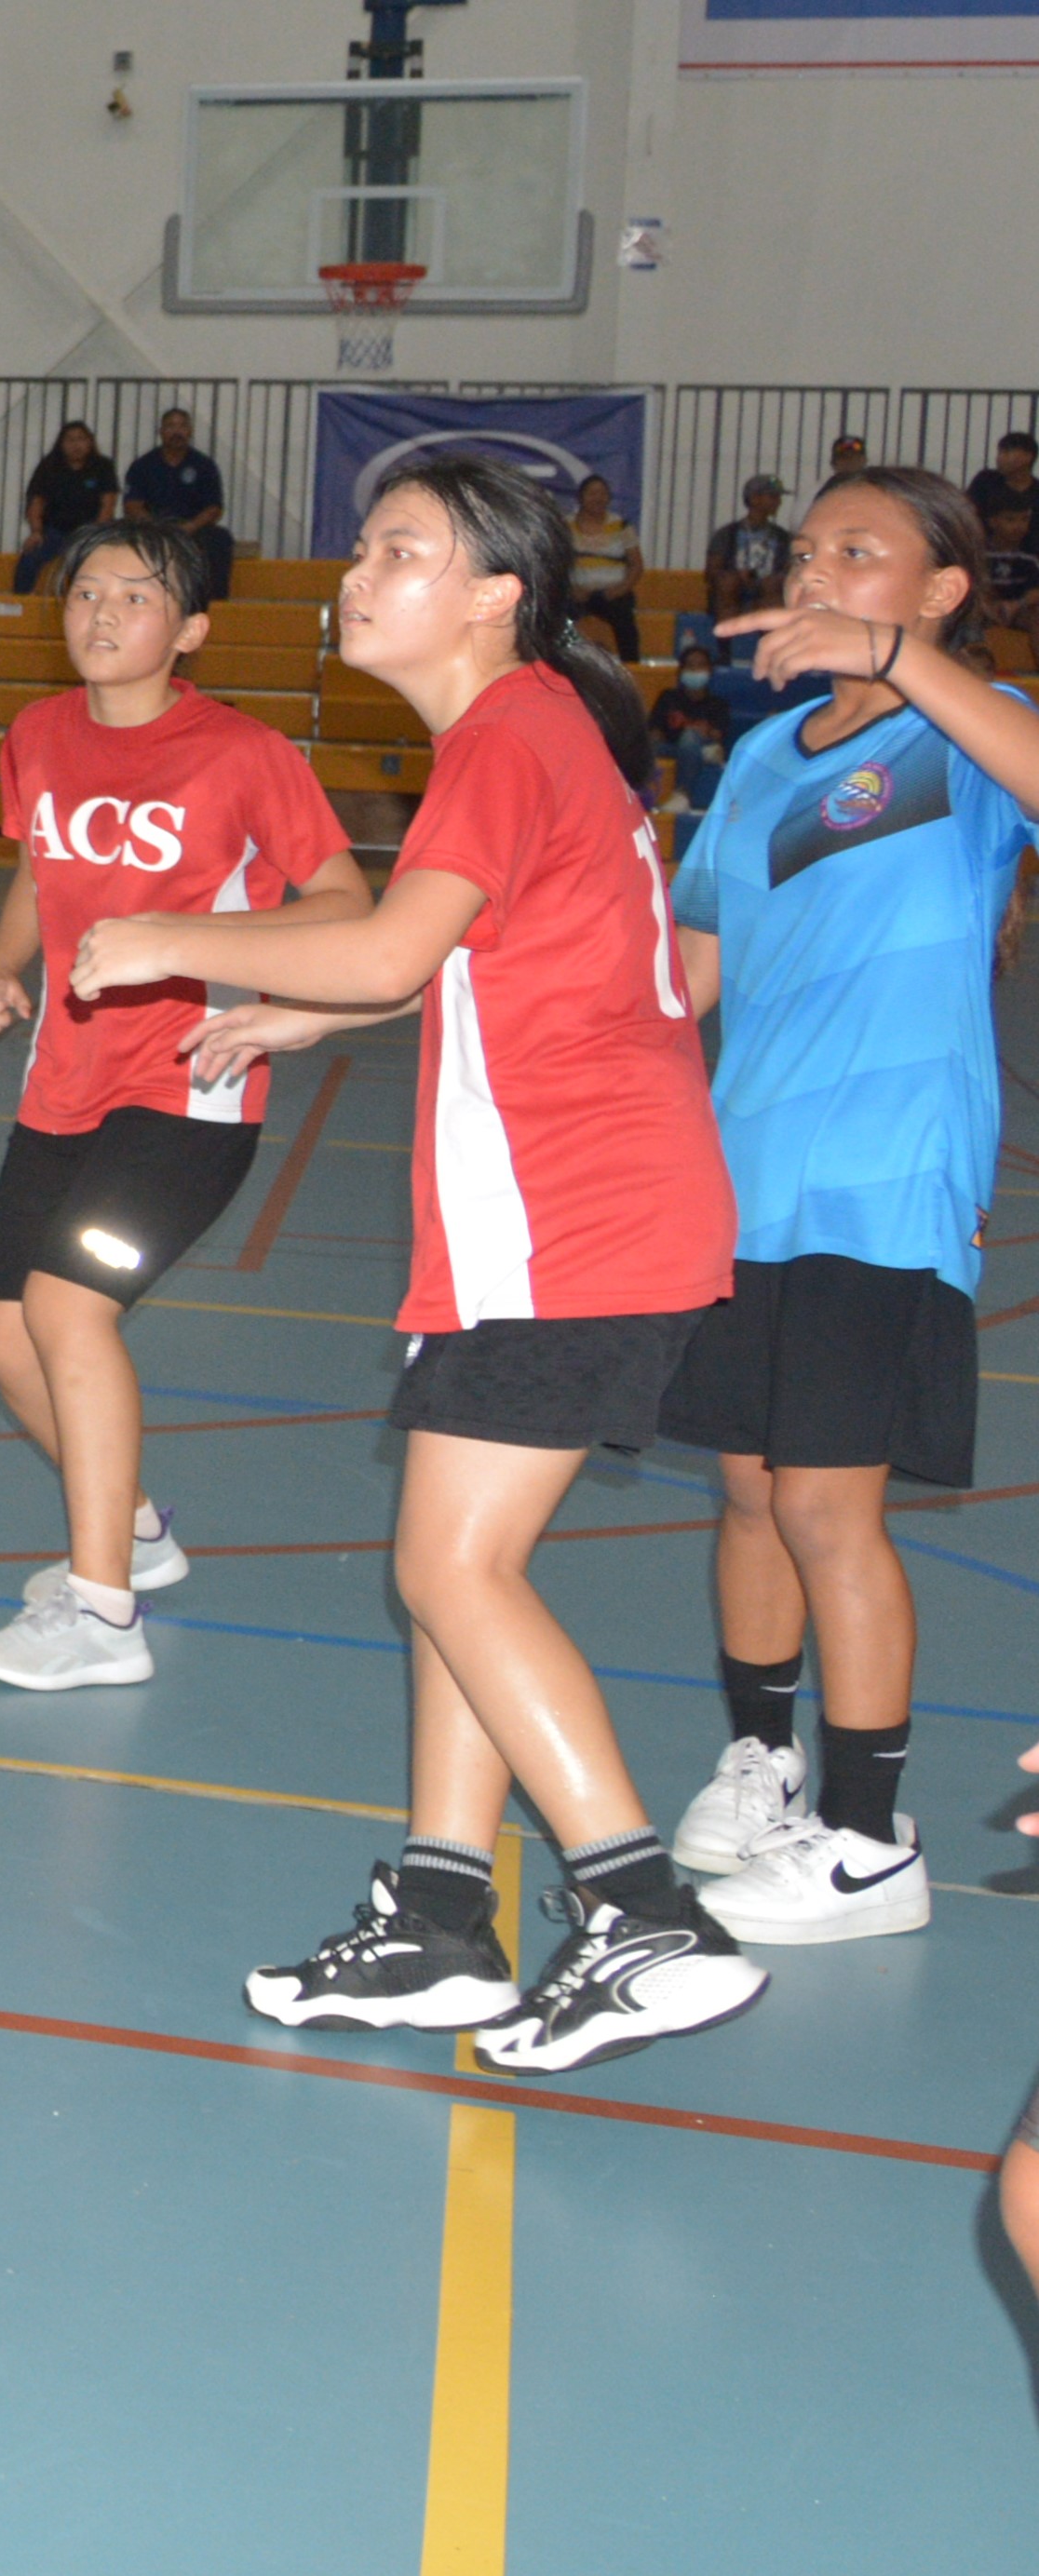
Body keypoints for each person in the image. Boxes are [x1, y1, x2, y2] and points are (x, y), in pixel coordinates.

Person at [72, 454, 765, 2075]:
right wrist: (324, 1011)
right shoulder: (529, 742)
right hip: (559, 1217)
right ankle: (447, 1922)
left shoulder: (509, 731)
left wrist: (173, 936)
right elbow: (476, 959)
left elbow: (397, 938)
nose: (354, 576)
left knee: (452, 1572)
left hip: (572, 1220)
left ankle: (644, 1909)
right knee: (449, 1573)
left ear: (494, 593)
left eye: (398, 551)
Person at [650, 468, 1039, 1945]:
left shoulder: (966, 741)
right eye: (805, 554)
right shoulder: (755, 767)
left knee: (825, 1499)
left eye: (857, 556)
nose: (815, 575)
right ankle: (763, 1759)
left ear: (939, 591)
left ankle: (871, 1843)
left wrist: (900, 666)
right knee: (745, 1488)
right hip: (745, 1165)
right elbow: (691, 972)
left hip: (884, 1168)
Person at [0, 522, 365, 1689]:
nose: (98, 614)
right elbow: (38, 871)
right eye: (83, 592)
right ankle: (134, 1528)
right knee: (4, 1333)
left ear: (186, 631)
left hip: (191, 1085)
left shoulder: (240, 753)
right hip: (63, 1081)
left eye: (133, 597)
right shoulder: (37, 734)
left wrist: (183, 942)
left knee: (67, 1309)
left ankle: (102, 1615)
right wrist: (4, 967)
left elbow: (344, 902)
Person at [122, 407, 234, 604]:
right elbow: (132, 506)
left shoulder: (204, 465)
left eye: (182, 426)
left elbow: (214, 509)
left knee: (220, 540)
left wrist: (189, 527)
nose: (177, 431)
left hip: (193, 528)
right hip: (153, 528)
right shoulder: (143, 465)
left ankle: (216, 604)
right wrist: (158, 528)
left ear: (190, 432)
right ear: (161, 432)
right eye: (171, 426)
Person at [15, 420, 118, 596]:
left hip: (90, 532)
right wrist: (36, 532)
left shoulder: (103, 467)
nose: (76, 444)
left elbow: (108, 505)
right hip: (55, 532)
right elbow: (36, 502)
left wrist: (96, 534)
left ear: (90, 442)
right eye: (70, 440)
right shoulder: (49, 466)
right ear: (61, 444)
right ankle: (21, 602)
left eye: (81, 439)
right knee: (30, 556)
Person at [649, 647, 735, 812]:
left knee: (689, 737)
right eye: (690, 665)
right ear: (681, 670)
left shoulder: (718, 704)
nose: (695, 670)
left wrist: (701, 734)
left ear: (709, 670)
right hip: (671, 748)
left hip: (699, 743)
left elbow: (717, 734)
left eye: (701, 665)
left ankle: (683, 794)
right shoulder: (668, 697)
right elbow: (655, 731)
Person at [567, 474, 642, 659]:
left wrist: (618, 590)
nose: (598, 498)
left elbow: (636, 565)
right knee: (555, 620)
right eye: (592, 493)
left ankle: (631, 670)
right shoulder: (564, 525)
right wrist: (570, 589)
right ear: (580, 497)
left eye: (602, 494)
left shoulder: (621, 526)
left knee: (626, 623)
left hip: (613, 594)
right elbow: (554, 563)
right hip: (575, 593)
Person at [707, 476, 793, 624]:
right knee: (727, 584)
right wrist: (736, 575)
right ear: (755, 499)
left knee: (773, 587)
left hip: (769, 590)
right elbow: (711, 572)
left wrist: (776, 579)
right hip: (733, 590)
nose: (779, 502)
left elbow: (790, 568)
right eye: (773, 497)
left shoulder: (783, 537)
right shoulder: (727, 534)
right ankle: (725, 642)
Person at [978, 499, 1038, 643]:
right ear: (993, 522)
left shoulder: (1030, 555)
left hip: (1018, 609)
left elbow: (1035, 590)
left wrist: (1015, 606)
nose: (1019, 526)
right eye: (1010, 520)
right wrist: (989, 607)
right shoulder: (979, 552)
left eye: (1024, 519)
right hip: (982, 608)